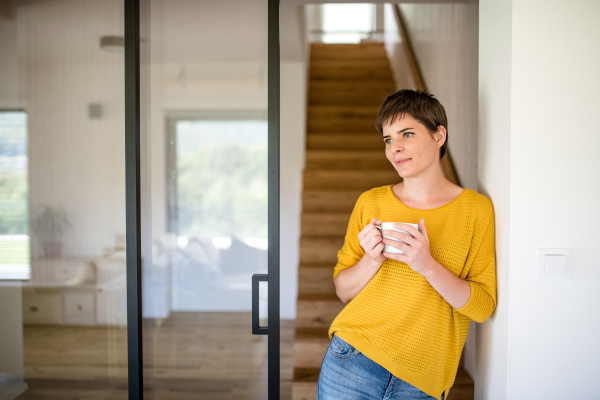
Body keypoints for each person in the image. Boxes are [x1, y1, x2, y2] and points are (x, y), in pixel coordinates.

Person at [317, 89, 497, 400]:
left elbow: (482, 307)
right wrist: (371, 260)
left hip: (423, 380)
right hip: (351, 360)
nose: (395, 148)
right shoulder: (370, 202)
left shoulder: (476, 210)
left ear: (439, 136)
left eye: (407, 134)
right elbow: (343, 290)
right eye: (388, 139)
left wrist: (426, 264)